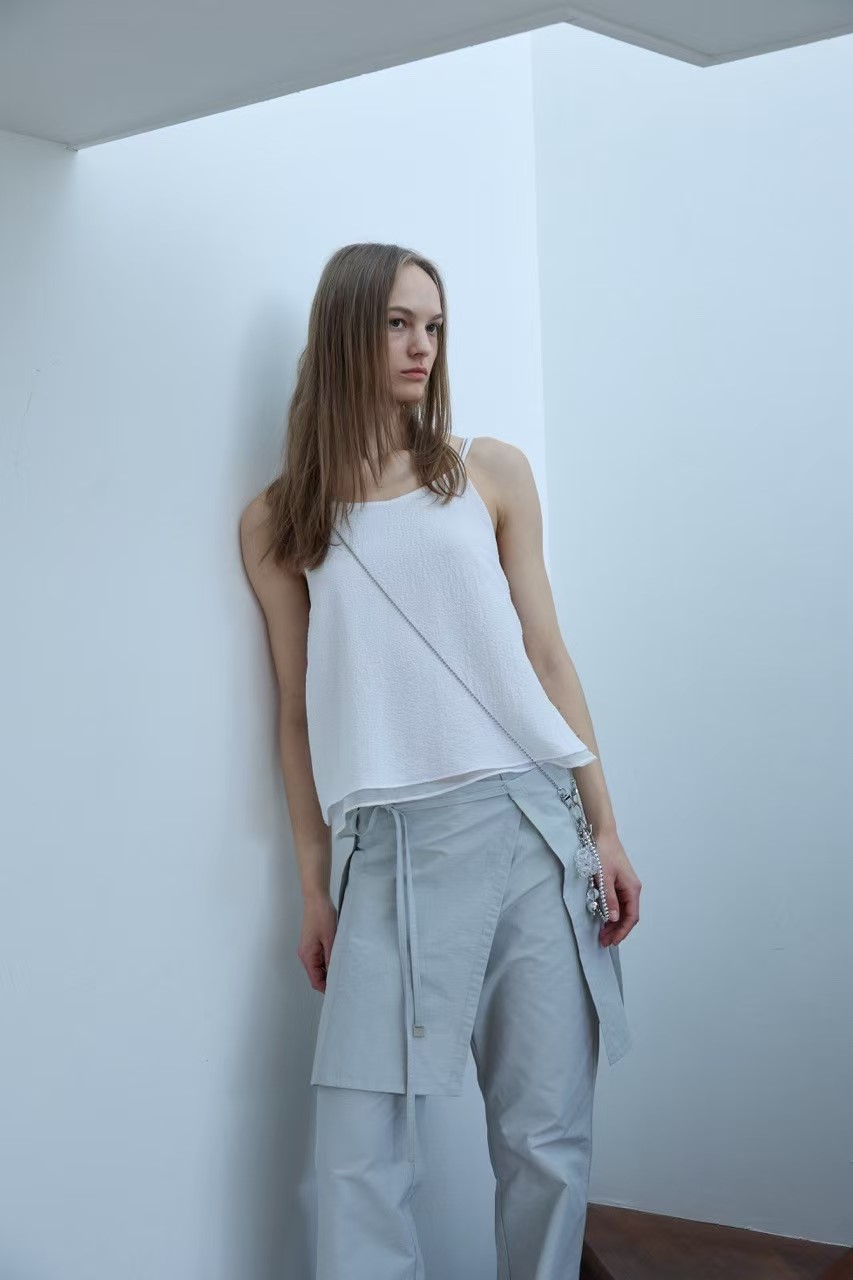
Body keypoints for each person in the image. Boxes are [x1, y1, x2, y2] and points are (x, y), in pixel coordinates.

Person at [240, 242, 641, 1279]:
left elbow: (545, 655)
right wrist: (314, 886)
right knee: (356, 1159)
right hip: (383, 852)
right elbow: (296, 713)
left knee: (543, 1137)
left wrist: (604, 824)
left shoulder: (487, 473)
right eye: (396, 323)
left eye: (433, 325)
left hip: (525, 827)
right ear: (345, 330)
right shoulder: (281, 519)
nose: (420, 346)